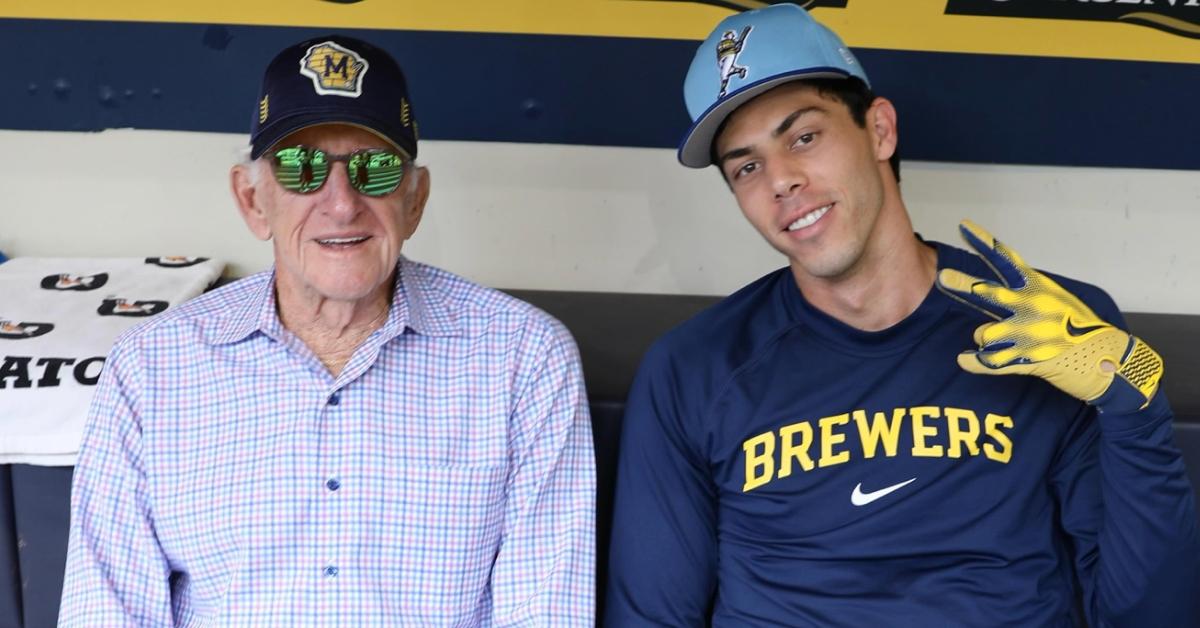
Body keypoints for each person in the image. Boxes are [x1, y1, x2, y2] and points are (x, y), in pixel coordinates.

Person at [606, 5, 1199, 626]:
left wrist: (1133, 406)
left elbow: (1153, 616)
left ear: (880, 130)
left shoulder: (1043, 328)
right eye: (747, 166)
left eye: (804, 136)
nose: (780, 180)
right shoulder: (696, 367)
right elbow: (652, 615)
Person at [58, 35, 595, 625]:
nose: (341, 204)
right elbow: (106, 610)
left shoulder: (523, 357)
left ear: (415, 200)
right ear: (252, 200)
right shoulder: (152, 366)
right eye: (300, 167)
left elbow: (545, 612)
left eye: (376, 167)